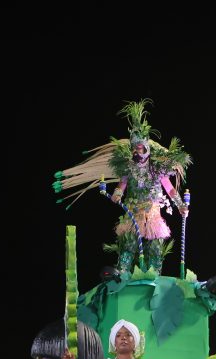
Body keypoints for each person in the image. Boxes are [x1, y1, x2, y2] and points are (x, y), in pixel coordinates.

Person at [53, 99, 190, 275]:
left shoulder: (158, 170)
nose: (137, 151)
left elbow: (170, 189)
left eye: (141, 148)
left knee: (154, 249)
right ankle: (123, 276)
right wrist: (117, 194)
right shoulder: (128, 169)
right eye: (135, 148)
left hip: (153, 216)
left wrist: (180, 205)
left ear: (147, 148)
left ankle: (153, 278)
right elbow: (122, 185)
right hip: (132, 214)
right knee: (128, 246)